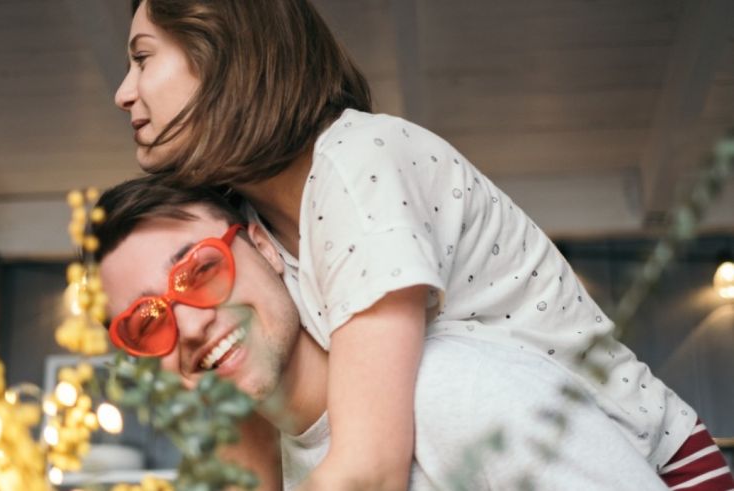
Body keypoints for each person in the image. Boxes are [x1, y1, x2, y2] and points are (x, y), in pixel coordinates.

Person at [113, 1, 734, 489]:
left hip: (650, 463)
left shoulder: (357, 167)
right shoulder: (253, 224)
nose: (124, 92)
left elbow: (368, 472)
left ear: (222, 51)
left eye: (143, 58)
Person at [94, 176, 671, 490]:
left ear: (264, 249)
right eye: (146, 322)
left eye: (199, 269)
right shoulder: (282, 474)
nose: (190, 324)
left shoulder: (452, 390)